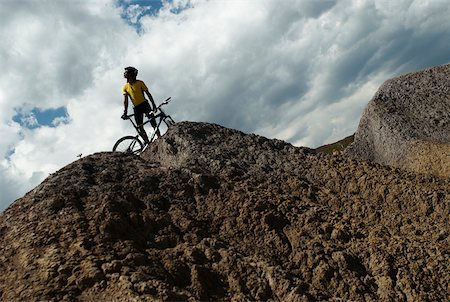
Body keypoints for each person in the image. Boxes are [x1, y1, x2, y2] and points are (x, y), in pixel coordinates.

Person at [121, 66, 161, 144]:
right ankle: (147, 142)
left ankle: (159, 137)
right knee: (140, 127)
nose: (124, 73)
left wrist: (153, 105)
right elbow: (126, 101)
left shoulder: (140, 83)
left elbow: (148, 94)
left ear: (131, 74)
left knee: (153, 122)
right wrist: (125, 112)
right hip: (136, 108)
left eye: (126, 72)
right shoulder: (125, 87)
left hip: (145, 105)